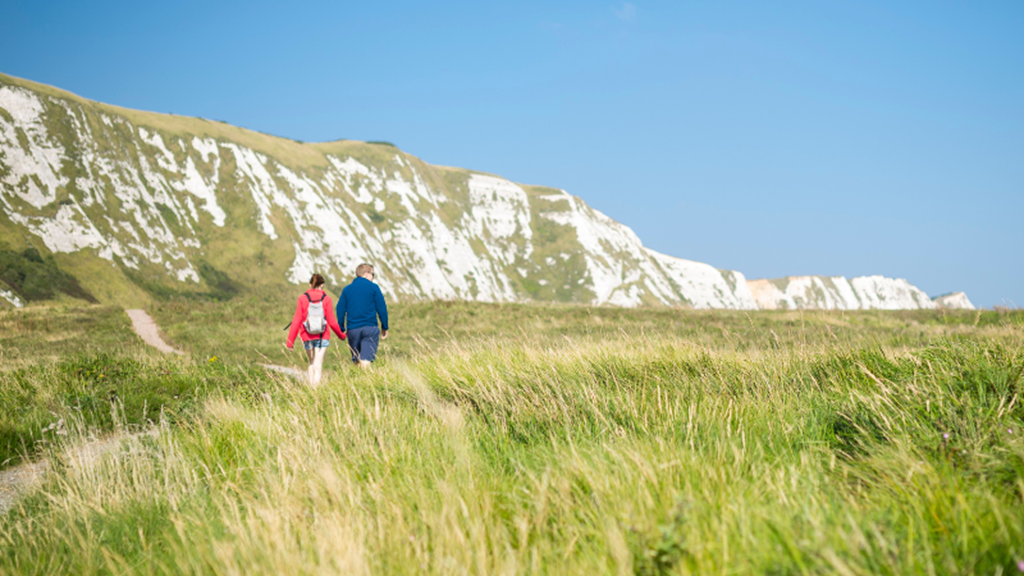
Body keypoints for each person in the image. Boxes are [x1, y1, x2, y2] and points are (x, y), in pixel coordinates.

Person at [286, 274, 346, 385]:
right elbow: (332, 321)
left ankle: (311, 388)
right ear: (322, 285)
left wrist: (290, 342)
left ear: (310, 284)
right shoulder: (326, 299)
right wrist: (341, 335)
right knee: (318, 364)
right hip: (322, 336)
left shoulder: (302, 298)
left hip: (306, 336)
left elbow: (296, 320)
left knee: (311, 363)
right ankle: (316, 390)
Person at [336, 263, 389, 369]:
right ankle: (366, 382)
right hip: (370, 328)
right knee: (365, 358)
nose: (373, 278)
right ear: (366, 273)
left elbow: (340, 309)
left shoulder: (347, 290)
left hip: (353, 330)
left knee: (357, 361)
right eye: (373, 275)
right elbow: (382, 308)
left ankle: (359, 380)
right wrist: (385, 326)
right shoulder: (374, 288)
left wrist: (342, 327)